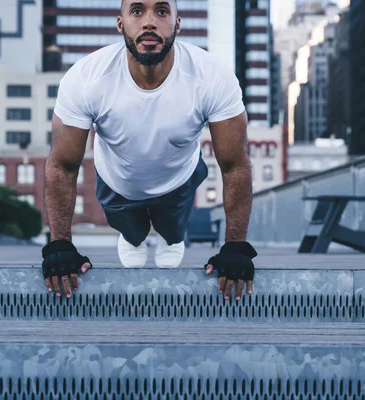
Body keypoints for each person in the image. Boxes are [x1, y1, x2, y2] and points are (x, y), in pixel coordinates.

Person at [41, 0, 258, 301]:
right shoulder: (86, 78)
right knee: (132, 230)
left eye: (162, 11)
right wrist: (59, 244)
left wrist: (235, 246)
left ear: (177, 25)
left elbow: (235, 165)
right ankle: (133, 238)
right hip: (117, 181)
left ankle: (170, 239)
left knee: (171, 229)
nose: (149, 22)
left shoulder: (213, 78)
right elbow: (62, 165)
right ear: (121, 24)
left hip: (179, 179)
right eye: (138, 11)